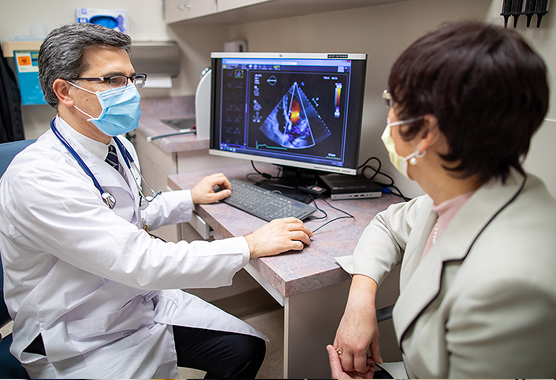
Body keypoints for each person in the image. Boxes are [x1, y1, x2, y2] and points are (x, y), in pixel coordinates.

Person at [0, 23, 313, 379]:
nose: (131, 92)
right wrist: (250, 245)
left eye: (133, 79)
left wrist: (188, 199)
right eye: (114, 81)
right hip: (76, 333)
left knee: (246, 348)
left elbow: (128, 213)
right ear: (64, 91)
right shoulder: (40, 179)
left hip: (130, 301)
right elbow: (140, 259)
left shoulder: (114, 143)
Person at [328, 20, 556, 379]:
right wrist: (360, 302)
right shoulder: (468, 191)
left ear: (427, 133)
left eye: (394, 103)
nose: (389, 117)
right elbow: (388, 224)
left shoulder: (510, 286)